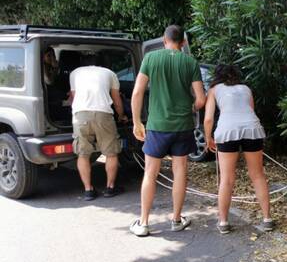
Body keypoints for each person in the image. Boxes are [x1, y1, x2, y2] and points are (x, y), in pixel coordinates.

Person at [129, 25, 206, 237]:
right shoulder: (190, 62)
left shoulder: (151, 59)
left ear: (164, 39)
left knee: (150, 173)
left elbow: (137, 93)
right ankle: (176, 219)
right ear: (183, 43)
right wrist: (190, 107)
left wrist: (137, 122)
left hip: (157, 126)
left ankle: (143, 223)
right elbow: (201, 99)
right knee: (180, 171)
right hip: (183, 127)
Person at [203, 65, 273, 234]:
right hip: (252, 129)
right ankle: (267, 219)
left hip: (227, 131)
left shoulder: (214, 90)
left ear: (217, 76)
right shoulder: (246, 89)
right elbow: (250, 111)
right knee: (257, 175)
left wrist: (208, 139)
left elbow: (208, 119)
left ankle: (224, 222)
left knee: (227, 179)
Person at [69, 53, 128, 201]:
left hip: (80, 115)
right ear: (101, 63)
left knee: (82, 154)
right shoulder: (109, 73)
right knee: (111, 152)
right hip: (103, 114)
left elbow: (73, 98)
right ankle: (110, 188)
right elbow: (116, 99)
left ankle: (88, 190)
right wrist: (121, 116)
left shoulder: (75, 73)